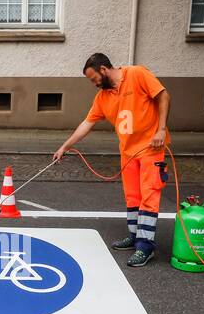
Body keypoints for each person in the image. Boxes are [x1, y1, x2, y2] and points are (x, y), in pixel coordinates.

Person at [54, 53, 171, 267]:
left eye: (93, 79)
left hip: (150, 150)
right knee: (133, 197)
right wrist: (65, 146)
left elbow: (163, 96)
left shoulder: (137, 74)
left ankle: (146, 247)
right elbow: (86, 124)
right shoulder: (103, 98)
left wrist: (161, 130)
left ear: (104, 70)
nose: (93, 84)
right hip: (128, 153)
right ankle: (135, 237)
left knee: (149, 196)